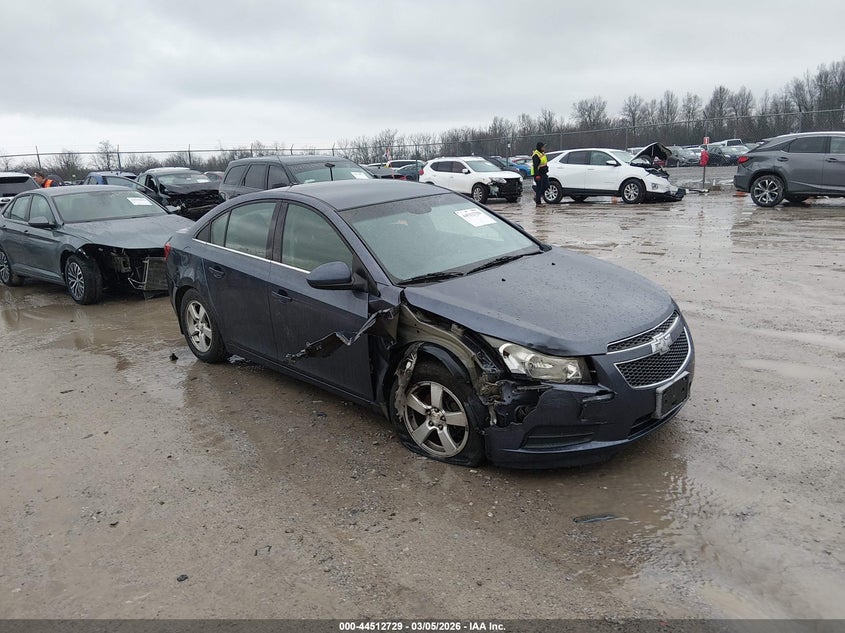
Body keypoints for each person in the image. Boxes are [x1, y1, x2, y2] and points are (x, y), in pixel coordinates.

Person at [531, 142, 549, 206]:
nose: (544, 148)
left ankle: (537, 196)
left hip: (544, 173)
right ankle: (538, 203)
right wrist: (537, 175)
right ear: (539, 147)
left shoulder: (542, 153)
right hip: (539, 174)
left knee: (547, 185)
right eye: (543, 147)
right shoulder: (536, 155)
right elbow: (535, 166)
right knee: (539, 188)